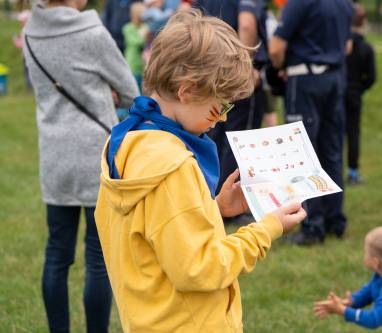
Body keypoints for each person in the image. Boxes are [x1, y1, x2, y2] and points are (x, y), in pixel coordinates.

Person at [94, 9, 306, 332]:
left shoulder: (125, 142)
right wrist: (267, 229)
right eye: (219, 106)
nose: (221, 118)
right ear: (187, 90)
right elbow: (199, 269)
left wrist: (213, 208)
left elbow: (157, 232)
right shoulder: (173, 167)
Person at [23, 0, 139, 332]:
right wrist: (106, 94)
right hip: (93, 154)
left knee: (57, 255)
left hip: (54, 155)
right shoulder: (91, 32)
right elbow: (130, 93)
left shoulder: (32, 31)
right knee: (97, 260)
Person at [269, 0, 353, 245]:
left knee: (302, 155)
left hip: (305, 80)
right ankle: (334, 219)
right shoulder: (344, 4)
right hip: (335, 77)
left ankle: (312, 225)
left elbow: (275, 48)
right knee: (332, 152)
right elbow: (347, 45)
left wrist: (281, 67)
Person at [193, 0, 269, 196]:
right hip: (235, 76)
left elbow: (190, 23)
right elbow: (247, 24)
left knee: (214, 135)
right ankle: (231, 198)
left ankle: (211, 195)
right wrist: (246, 65)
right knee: (241, 141)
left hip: (209, 74)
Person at [345, 3, 376, 185]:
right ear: (363, 22)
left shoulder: (340, 44)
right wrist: (360, 88)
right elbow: (371, 77)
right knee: (353, 133)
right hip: (355, 94)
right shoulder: (366, 48)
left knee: (333, 135)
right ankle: (353, 172)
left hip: (336, 92)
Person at [122, 2, 148, 91]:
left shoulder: (145, 27)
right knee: (133, 89)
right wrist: (143, 36)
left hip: (143, 65)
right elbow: (135, 42)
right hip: (132, 64)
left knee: (142, 90)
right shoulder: (128, 28)